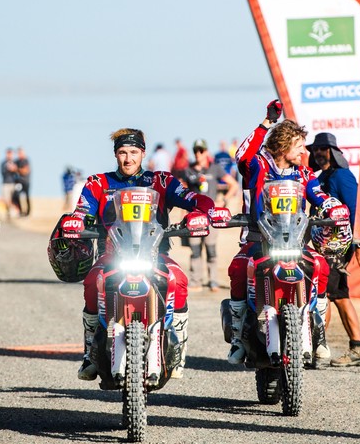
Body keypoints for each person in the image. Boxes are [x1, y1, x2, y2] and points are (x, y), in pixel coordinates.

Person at [50, 128, 224, 380]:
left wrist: (201, 213)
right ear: (115, 154)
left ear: (143, 153)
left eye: (133, 152)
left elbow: (197, 199)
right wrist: (76, 222)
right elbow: (82, 212)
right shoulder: (98, 183)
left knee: (180, 280)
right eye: (122, 152)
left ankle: (178, 352)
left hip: (156, 256)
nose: (128, 158)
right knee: (91, 283)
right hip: (112, 257)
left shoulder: (161, 181)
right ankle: (90, 352)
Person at [225, 101, 346, 365]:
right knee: (237, 269)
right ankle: (237, 336)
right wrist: (266, 122)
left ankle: (319, 332)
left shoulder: (303, 173)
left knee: (321, 266)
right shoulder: (258, 165)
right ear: (283, 146)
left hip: (294, 242)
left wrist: (333, 207)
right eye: (299, 146)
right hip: (257, 240)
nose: (305, 152)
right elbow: (241, 156)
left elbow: (318, 194)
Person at [306, 132, 360, 367]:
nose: (317, 154)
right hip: (324, 247)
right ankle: (357, 348)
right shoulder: (321, 177)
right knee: (336, 295)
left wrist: (359, 244)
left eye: (321, 150)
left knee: (327, 294)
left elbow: (356, 210)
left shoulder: (342, 176)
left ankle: (318, 350)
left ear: (332, 152)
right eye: (314, 150)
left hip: (339, 247)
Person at [182, 138, 238, 292]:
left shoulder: (215, 169)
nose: (198, 154)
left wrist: (223, 200)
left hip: (210, 216)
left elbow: (233, 184)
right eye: (195, 151)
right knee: (194, 250)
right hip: (193, 216)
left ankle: (213, 281)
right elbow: (182, 190)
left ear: (206, 151)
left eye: (201, 150)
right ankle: (195, 281)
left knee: (211, 249)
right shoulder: (189, 170)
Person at [0, 148, 19, 219]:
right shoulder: (3, 163)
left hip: (13, 183)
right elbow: (2, 172)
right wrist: (8, 169)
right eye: (8, 153)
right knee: (5, 199)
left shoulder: (15, 162)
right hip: (5, 183)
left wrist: (14, 169)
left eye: (11, 154)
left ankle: (13, 213)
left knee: (13, 199)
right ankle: (9, 212)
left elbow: (18, 173)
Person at [15, 147, 32, 216]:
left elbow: (25, 171)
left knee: (26, 197)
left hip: (26, 182)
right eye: (18, 153)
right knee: (17, 195)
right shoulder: (17, 161)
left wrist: (16, 169)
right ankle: (21, 211)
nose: (19, 155)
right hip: (19, 182)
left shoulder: (26, 160)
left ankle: (28, 212)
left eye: (20, 153)